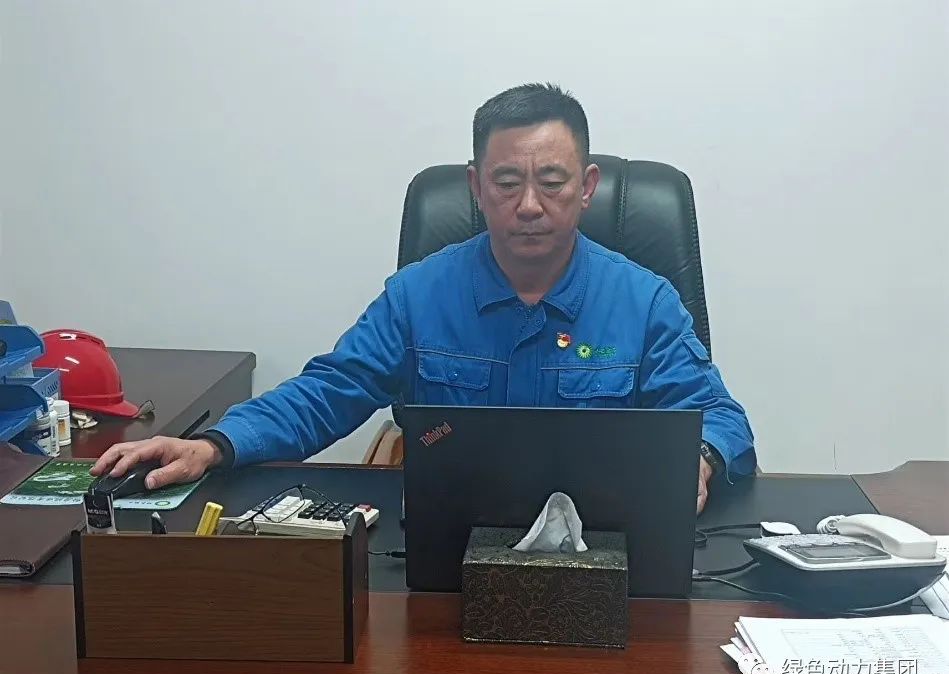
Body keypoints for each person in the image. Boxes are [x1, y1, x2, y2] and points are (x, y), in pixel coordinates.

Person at [92, 83, 756, 513]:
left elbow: (722, 419)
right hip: (446, 549)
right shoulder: (419, 295)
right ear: (475, 187)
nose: (529, 204)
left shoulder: (644, 301)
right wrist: (215, 444)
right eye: (507, 182)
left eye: (551, 182)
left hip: (603, 548)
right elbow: (330, 390)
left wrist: (698, 459)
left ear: (586, 188)